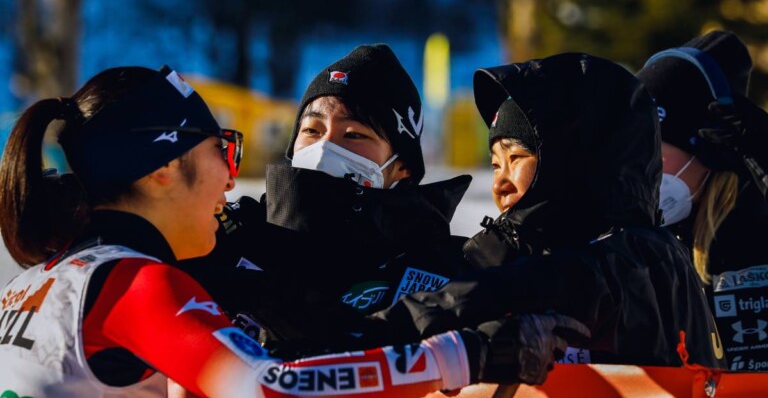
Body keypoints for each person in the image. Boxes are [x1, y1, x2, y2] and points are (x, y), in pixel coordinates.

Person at [0, 64, 587, 396]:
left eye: (355, 133)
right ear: (160, 171)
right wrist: (466, 354)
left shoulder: (37, 282)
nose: (232, 182)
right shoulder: (138, 284)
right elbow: (271, 387)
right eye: (221, 153)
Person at [374, 52, 726, 368]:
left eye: (517, 158)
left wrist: (384, 331)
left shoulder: (641, 256)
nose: (500, 183)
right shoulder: (540, 253)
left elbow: (549, 285)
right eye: (496, 165)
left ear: (573, 161)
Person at [180, 44, 476, 352]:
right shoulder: (223, 237)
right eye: (312, 130)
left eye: (353, 135)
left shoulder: (441, 273)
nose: (325, 146)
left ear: (402, 168)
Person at [636, 30, 768, 371]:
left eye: (655, 150)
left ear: (710, 150)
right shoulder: (638, 244)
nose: (641, 169)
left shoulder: (757, 228)